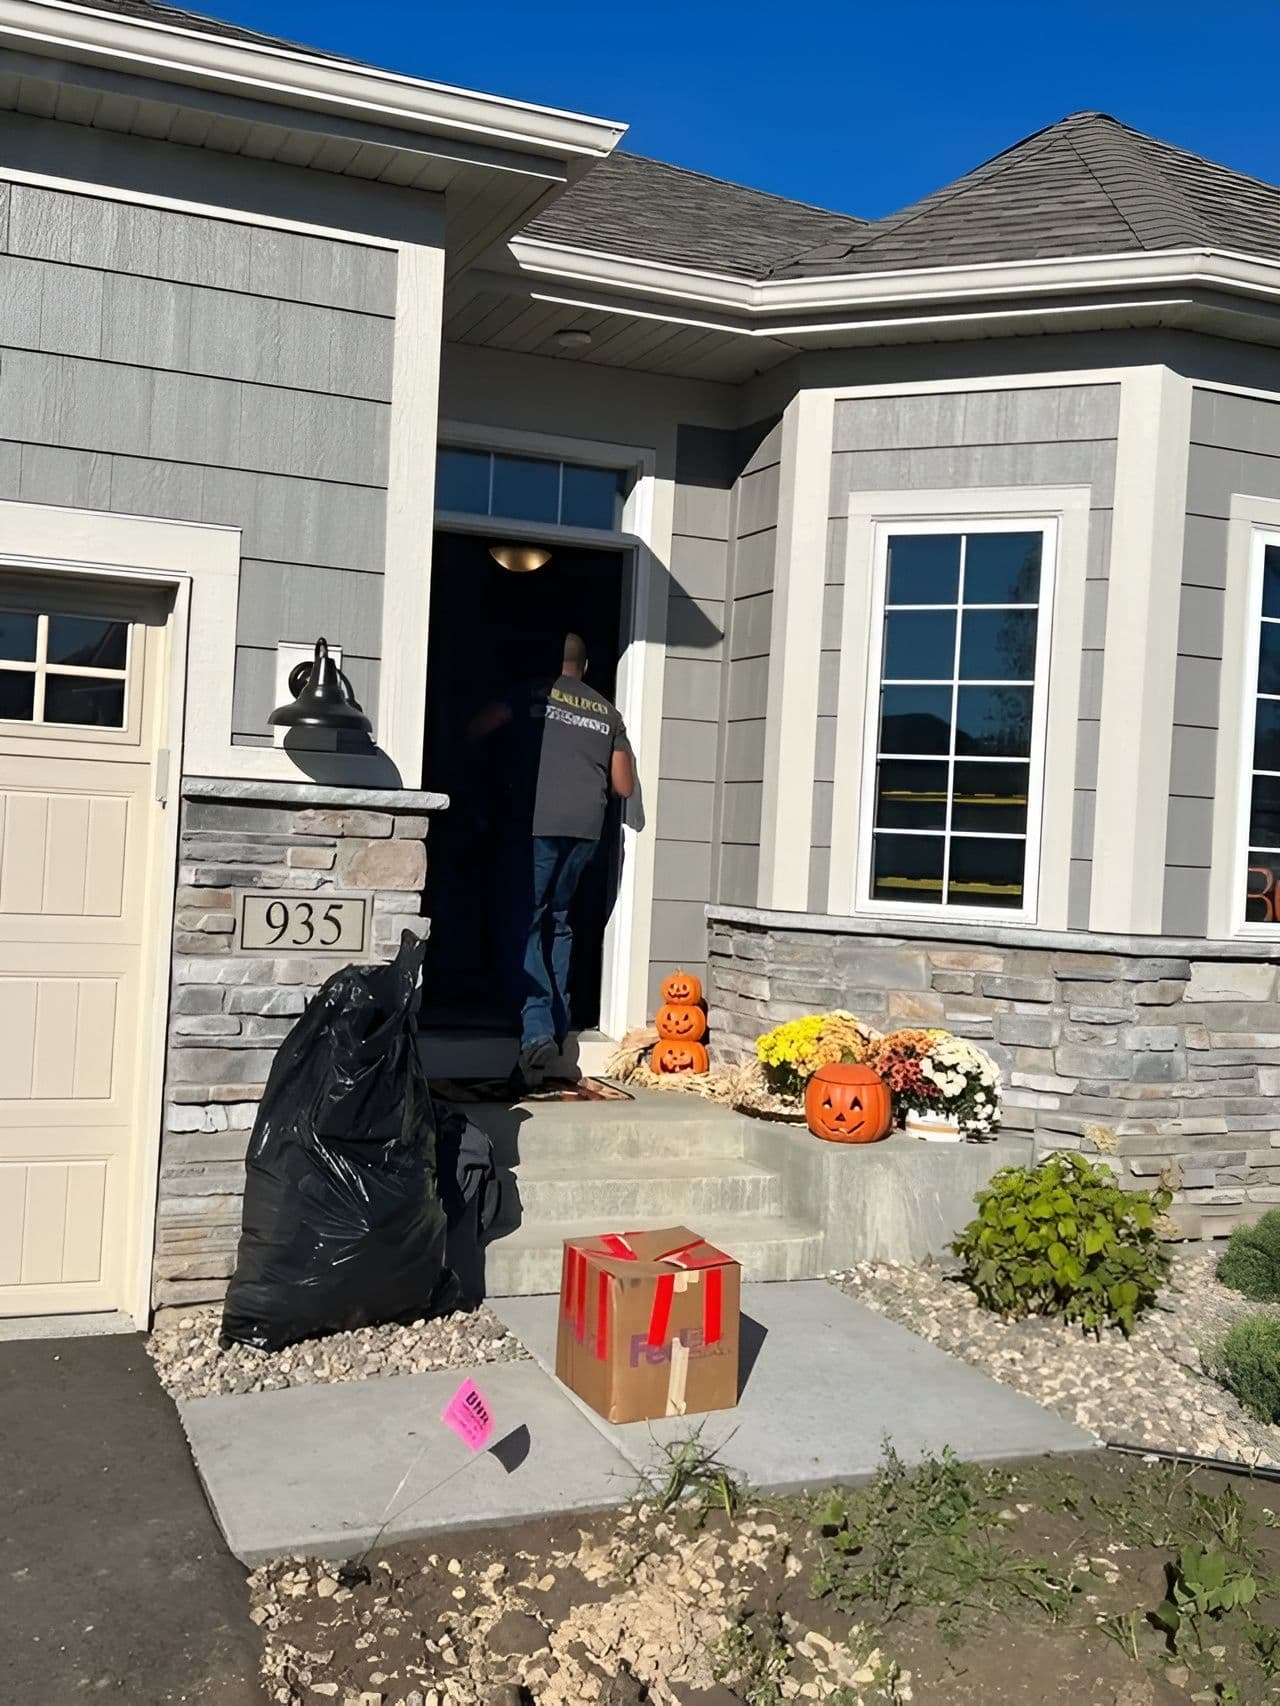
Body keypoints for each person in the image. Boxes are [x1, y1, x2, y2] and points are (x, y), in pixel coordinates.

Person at [473, 632, 635, 1091]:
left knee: (526, 920)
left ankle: (537, 1028)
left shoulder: (532, 692)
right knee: (559, 921)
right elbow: (622, 785)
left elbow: (479, 729)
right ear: (584, 666)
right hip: (585, 828)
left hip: (536, 823)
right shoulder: (606, 711)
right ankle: (556, 1031)